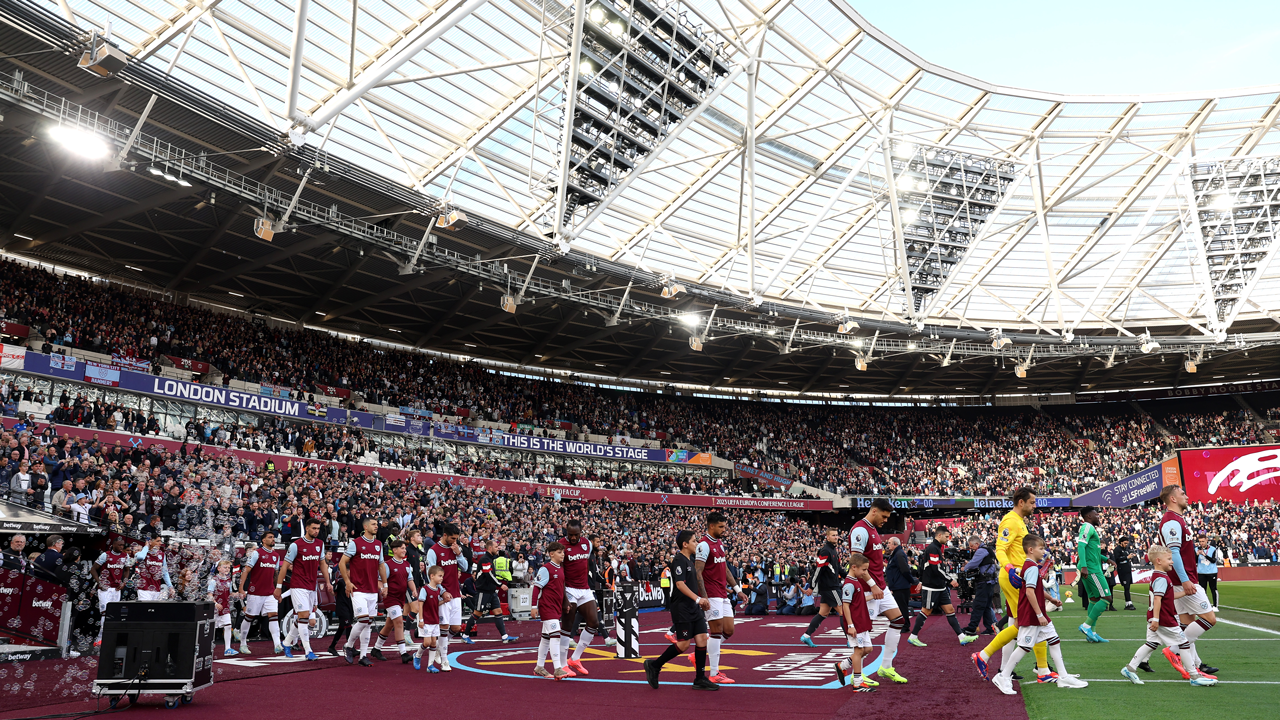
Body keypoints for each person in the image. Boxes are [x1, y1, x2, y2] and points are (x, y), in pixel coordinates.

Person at [971, 487, 1054, 684]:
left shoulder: (1019, 522)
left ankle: (1002, 667)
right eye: (1032, 502)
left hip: (1019, 575)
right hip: (1015, 577)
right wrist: (1010, 569)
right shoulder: (1010, 521)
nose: (1035, 506)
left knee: (1014, 624)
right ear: (1021, 502)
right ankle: (1041, 669)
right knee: (1032, 621)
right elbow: (1000, 549)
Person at [989, 534, 1087, 695]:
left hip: (1036, 614)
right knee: (1024, 647)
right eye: (1041, 548)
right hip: (1032, 615)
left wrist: (1052, 600)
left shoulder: (1030, 566)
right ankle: (1003, 676)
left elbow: (1036, 589)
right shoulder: (1032, 567)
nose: (1044, 551)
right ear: (1030, 549)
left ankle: (1063, 676)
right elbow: (1029, 592)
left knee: (1054, 640)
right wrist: (1039, 614)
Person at [1121, 545, 1217, 687]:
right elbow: (1157, 599)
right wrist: (1156, 619)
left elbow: (1168, 596)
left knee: (1151, 643)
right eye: (1169, 559)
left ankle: (1130, 668)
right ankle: (1194, 676)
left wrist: (1185, 592)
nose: (1173, 562)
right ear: (1159, 561)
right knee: (1183, 643)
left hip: (1156, 617)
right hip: (1164, 619)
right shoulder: (1161, 578)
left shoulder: (1159, 576)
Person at [1157, 485, 1219, 678]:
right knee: (1209, 619)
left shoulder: (1176, 520)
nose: (1187, 496)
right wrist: (1185, 581)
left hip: (1178, 580)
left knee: (1187, 624)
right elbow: (1174, 553)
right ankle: (1173, 650)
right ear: (1173, 499)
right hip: (1183, 581)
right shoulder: (1172, 521)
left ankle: (1194, 666)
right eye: (1182, 493)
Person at [643, 530, 717, 691]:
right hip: (682, 608)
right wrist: (698, 599)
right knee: (683, 645)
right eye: (694, 541)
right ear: (685, 544)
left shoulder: (690, 561)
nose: (696, 543)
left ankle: (700, 678)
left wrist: (700, 600)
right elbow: (679, 584)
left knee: (702, 639)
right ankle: (655, 665)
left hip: (693, 607)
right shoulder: (678, 560)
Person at [849, 498, 908, 684]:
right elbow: (855, 562)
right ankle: (855, 675)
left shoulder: (873, 529)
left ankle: (886, 667)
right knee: (863, 633)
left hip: (881, 587)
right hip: (867, 590)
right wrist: (872, 584)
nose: (886, 520)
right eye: (884, 516)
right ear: (874, 511)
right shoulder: (860, 529)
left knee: (898, 620)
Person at [693, 511, 746, 683]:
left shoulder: (720, 544)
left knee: (729, 630)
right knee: (716, 632)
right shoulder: (704, 545)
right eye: (721, 527)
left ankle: (697, 654)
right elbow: (698, 571)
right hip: (712, 594)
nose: (724, 530)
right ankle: (714, 673)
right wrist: (704, 597)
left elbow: (726, 570)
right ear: (711, 526)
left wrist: (737, 589)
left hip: (722, 593)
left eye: (725, 526)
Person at [275, 517, 332, 661]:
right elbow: (284, 567)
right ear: (306, 528)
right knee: (304, 616)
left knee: (303, 617)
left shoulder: (320, 544)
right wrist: (279, 587)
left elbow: (323, 564)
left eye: (318, 529)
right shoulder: (296, 545)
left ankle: (286, 643)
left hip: (312, 586)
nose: (316, 531)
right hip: (298, 585)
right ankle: (308, 650)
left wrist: (328, 582)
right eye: (314, 528)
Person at [338, 518, 385, 666]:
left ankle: (363, 655)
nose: (376, 526)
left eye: (377, 524)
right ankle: (348, 646)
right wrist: (347, 582)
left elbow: (381, 565)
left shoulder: (378, 545)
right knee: (363, 620)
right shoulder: (356, 543)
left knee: (368, 623)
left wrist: (385, 584)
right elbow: (341, 562)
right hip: (358, 588)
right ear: (365, 527)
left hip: (372, 589)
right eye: (373, 524)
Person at [908, 526, 966, 646]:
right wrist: (950, 579)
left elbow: (926, 567)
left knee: (950, 610)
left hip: (939, 586)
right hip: (932, 587)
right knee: (926, 611)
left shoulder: (936, 548)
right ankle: (913, 636)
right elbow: (935, 568)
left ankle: (962, 637)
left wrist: (921, 581)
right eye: (946, 536)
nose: (947, 539)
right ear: (939, 535)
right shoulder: (933, 548)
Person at [424, 522, 468, 671]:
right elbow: (429, 575)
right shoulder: (433, 551)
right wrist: (442, 591)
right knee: (444, 627)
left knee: (455, 628)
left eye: (457, 539)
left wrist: (459, 554)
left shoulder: (456, 549)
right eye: (453, 538)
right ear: (444, 535)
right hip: (442, 596)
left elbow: (466, 568)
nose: (455, 541)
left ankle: (439, 649)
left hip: (455, 593)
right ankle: (444, 660)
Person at [833, 553, 877, 692]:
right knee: (858, 651)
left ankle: (843, 665)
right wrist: (850, 625)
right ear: (854, 567)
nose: (865, 573)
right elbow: (845, 605)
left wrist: (874, 595)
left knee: (868, 649)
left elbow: (859, 601)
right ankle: (857, 683)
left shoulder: (856, 581)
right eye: (863, 570)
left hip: (861, 621)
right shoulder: (849, 584)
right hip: (855, 623)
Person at [559, 520, 597, 674]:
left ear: (581, 532)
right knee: (567, 627)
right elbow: (559, 572)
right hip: (569, 589)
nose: (573, 538)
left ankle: (575, 658)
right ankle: (562, 665)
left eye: (576, 535)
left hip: (584, 589)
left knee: (593, 622)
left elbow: (587, 565)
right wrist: (563, 597)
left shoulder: (587, 543)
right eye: (570, 535)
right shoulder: (561, 545)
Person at [237, 530, 283, 654]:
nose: (273, 539)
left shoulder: (276, 556)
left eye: (273, 537)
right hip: (255, 592)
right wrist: (241, 588)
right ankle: (242, 643)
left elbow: (276, 574)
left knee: (273, 617)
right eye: (270, 537)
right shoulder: (256, 553)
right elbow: (246, 570)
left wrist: (277, 589)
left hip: (270, 593)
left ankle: (277, 644)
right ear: (263, 540)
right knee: (249, 617)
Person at [800, 527, 846, 650]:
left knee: (823, 613)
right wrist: (811, 586)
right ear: (827, 537)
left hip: (830, 587)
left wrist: (850, 576)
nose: (836, 537)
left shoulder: (833, 550)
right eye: (833, 535)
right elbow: (818, 570)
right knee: (844, 612)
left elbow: (838, 569)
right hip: (831, 587)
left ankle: (806, 635)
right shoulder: (825, 551)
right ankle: (851, 640)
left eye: (837, 535)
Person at [371, 539, 416, 663]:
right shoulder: (387, 565)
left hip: (401, 598)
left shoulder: (407, 565)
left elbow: (410, 580)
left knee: (389, 624)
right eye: (402, 548)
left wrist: (413, 590)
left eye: (405, 548)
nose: (404, 550)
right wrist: (383, 588)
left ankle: (376, 649)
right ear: (394, 550)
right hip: (391, 598)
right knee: (399, 622)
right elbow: (379, 580)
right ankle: (403, 653)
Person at [531, 541, 570, 680]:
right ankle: (558, 668)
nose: (563, 555)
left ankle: (539, 667)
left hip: (556, 607)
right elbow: (537, 588)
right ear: (551, 554)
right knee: (555, 635)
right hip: (547, 607)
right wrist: (533, 606)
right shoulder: (545, 569)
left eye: (563, 552)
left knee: (546, 638)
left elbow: (561, 588)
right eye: (560, 552)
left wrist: (565, 603)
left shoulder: (560, 569)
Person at [466, 540, 515, 643]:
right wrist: (500, 584)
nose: (498, 548)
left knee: (498, 612)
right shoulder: (485, 559)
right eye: (496, 546)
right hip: (483, 591)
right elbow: (488, 575)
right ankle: (465, 635)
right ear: (490, 548)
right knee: (477, 613)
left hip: (491, 591)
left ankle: (504, 636)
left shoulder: (491, 559)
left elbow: (491, 575)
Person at [1076, 506, 1111, 643]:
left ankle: (1092, 633)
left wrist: (1106, 559)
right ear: (1089, 516)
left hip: (1090, 566)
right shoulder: (1087, 527)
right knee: (1107, 598)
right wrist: (1084, 566)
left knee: (1094, 599)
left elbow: (1093, 551)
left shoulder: (1090, 529)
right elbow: (1081, 545)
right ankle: (1086, 626)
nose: (1098, 516)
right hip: (1091, 568)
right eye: (1096, 514)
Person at [91, 536, 130, 645]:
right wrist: (100, 583)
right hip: (105, 589)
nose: (122, 547)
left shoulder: (125, 556)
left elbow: (127, 570)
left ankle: (110, 637)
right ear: (113, 545)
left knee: (113, 614)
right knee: (105, 613)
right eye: (119, 545)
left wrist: (124, 582)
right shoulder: (105, 555)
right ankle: (99, 639)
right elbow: (93, 569)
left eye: (123, 545)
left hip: (117, 589)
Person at [960, 535, 999, 640]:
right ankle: (991, 628)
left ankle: (972, 628)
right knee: (986, 606)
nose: (971, 548)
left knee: (978, 605)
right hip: (990, 581)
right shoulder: (987, 549)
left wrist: (965, 568)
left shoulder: (981, 551)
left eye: (971, 546)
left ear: (977, 544)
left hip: (985, 582)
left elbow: (973, 564)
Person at [413, 565, 447, 672]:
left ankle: (430, 665)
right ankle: (417, 655)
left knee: (433, 643)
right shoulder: (425, 589)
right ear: (432, 576)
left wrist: (444, 601)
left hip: (434, 620)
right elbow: (421, 604)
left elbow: (436, 604)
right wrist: (421, 619)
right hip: (426, 620)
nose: (442, 578)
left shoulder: (437, 590)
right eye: (440, 576)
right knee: (426, 642)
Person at [208, 559, 240, 656]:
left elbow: (230, 594)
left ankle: (228, 648)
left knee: (228, 626)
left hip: (225, 607)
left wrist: (237, 594)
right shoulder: (213, 580)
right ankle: (206, 648)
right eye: (225, 567)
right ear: (219, 568)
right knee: (211, 629)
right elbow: (209, 595)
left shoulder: (228, 580)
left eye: (229, 567)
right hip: (214, 609)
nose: (227, 569)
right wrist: (216, 603)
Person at [134, 536, 173, 601]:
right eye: (158, 541)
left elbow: (165, 572)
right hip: (144, 589)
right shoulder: (142, 553)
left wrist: (170, 586)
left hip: (157, 589)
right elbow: (140, 557)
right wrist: (146, 546)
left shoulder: (162, 555)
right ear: (150, 542)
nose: (160, 543)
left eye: (161, 541)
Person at [1195, 536, 1220, 611]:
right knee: (1202, 590)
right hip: (1201, 572)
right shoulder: (1196, 549)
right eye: (1200, 541)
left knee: (1213, 589)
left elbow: (1213, 560)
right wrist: (1197, 555)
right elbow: (1194, 561)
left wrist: (1204, 555)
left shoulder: (1213, 549)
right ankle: (1204, 605)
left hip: (1212, 572)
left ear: (1206, 540)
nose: (1201, 543)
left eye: (1203, 541)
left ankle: (1215, 606)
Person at [1113, 537, 1137, 610]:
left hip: (1127, 570)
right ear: (1121, 542)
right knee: (1126, 587)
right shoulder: (1117, 550)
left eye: (1127, 543)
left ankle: (1129, 602)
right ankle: (1128, 603)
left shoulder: (1126, 550)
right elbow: (1117, 559)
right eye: (1125, 543)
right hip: (1122, 570)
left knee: (1128, 587)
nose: (1126, 545)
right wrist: (1127, 557)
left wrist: (1130, 557)